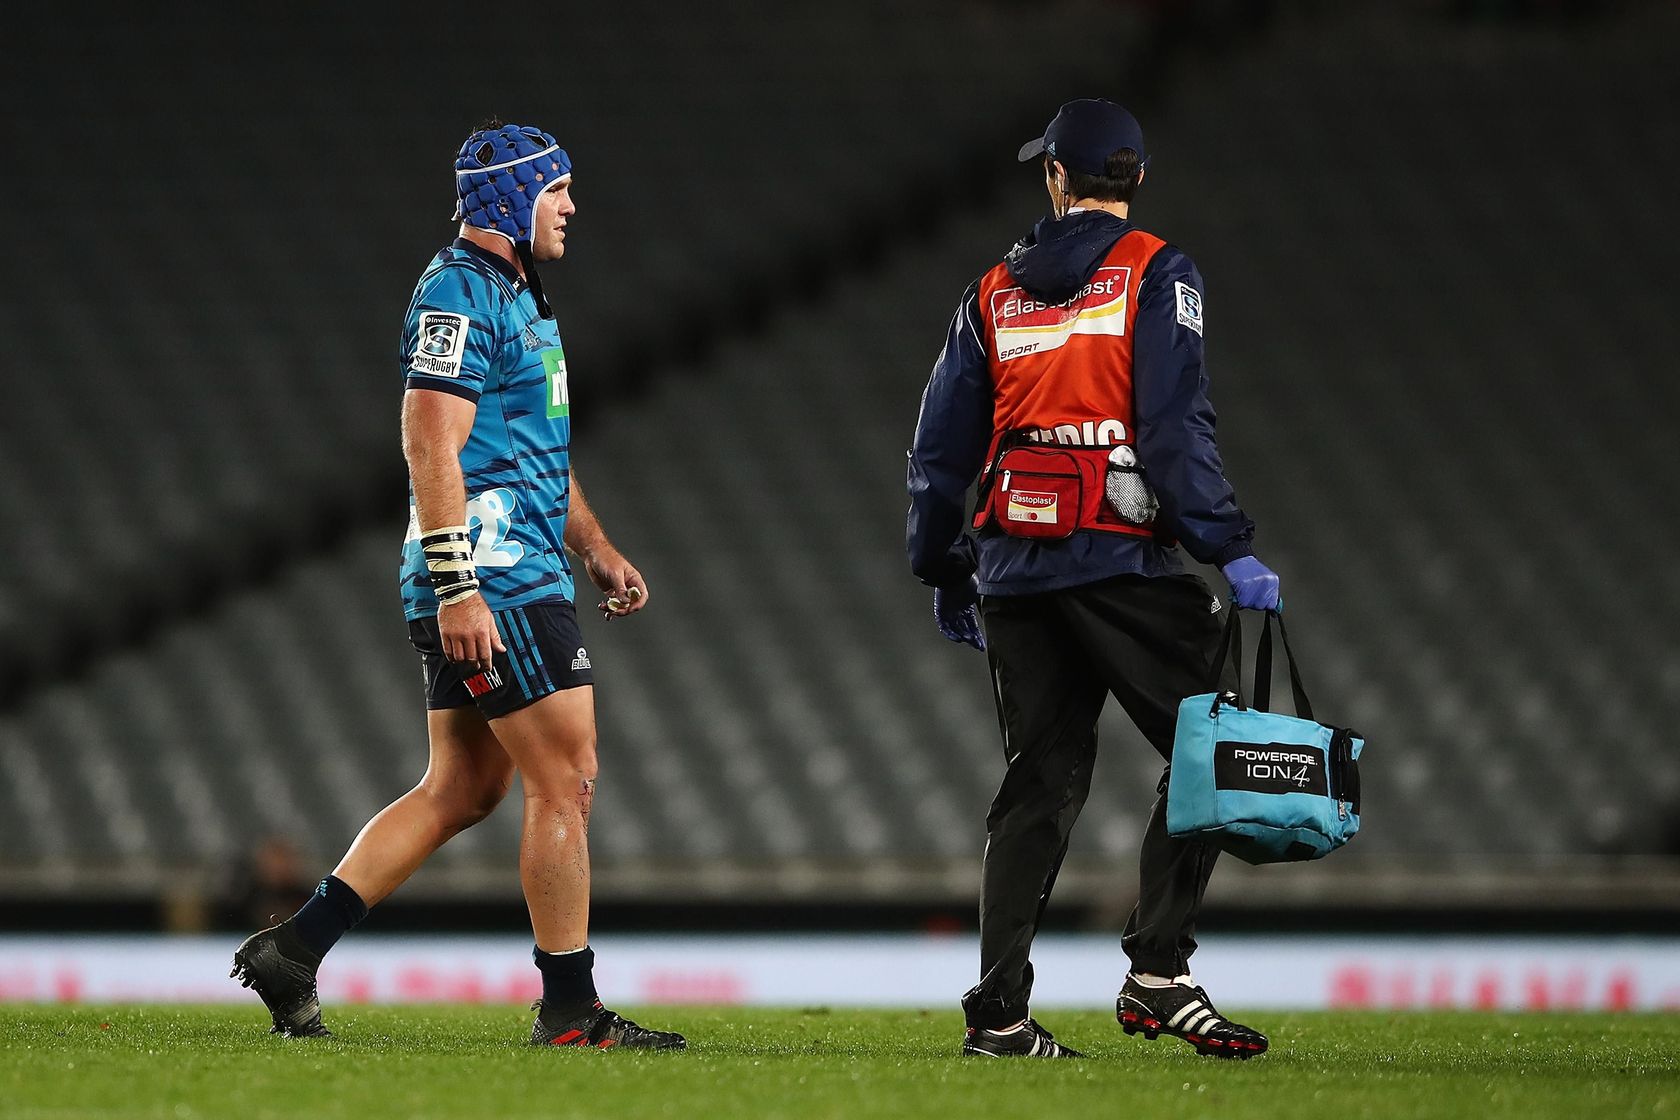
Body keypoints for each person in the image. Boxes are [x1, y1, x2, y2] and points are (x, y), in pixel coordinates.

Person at [231, 120, 684, 1051]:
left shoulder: (520, 295)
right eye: (557, 190)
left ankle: (295, 949)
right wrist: (457, 586)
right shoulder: (457, 292)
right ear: (513, 199)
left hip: (516, 566)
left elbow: (533, 447)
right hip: (495, 575)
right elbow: (429, 440)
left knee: (464, 787)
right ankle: (570, 1012)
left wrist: (595, 546)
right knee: (565, 779)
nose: (571, 206)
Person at [906, 98, 1280, 1060]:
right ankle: (1158, 972)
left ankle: (999, 1015)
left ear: (1055, 178)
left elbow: (940, 449)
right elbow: (1172, 424)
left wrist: (943, 564)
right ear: (1137, 179)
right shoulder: (1158, 271)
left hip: (1014, 565)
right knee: (1213, 747)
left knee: (1037, 784)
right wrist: (1228, 545)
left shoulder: (991, 293)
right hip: (1119, 557)